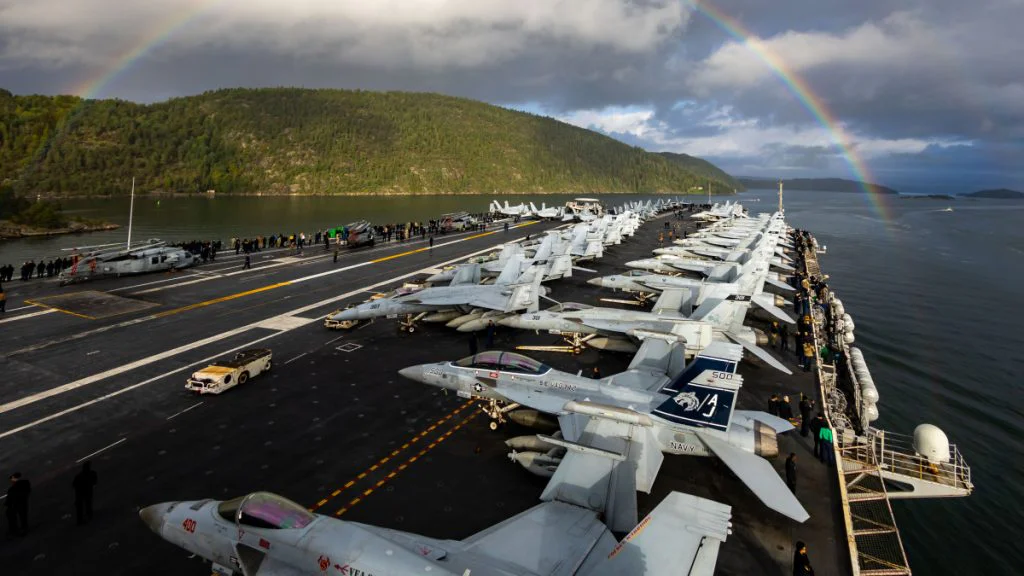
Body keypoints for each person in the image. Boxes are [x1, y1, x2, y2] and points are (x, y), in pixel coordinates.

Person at [6, 472, 30, 537]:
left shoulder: (22, 484)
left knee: (22, 515)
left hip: (20, 503)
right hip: (17, 504)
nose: (12, 480)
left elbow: (25, 492)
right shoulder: (13, 488)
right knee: (20, 515)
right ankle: (18, 529)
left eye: (12, 478)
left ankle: (20, 529)